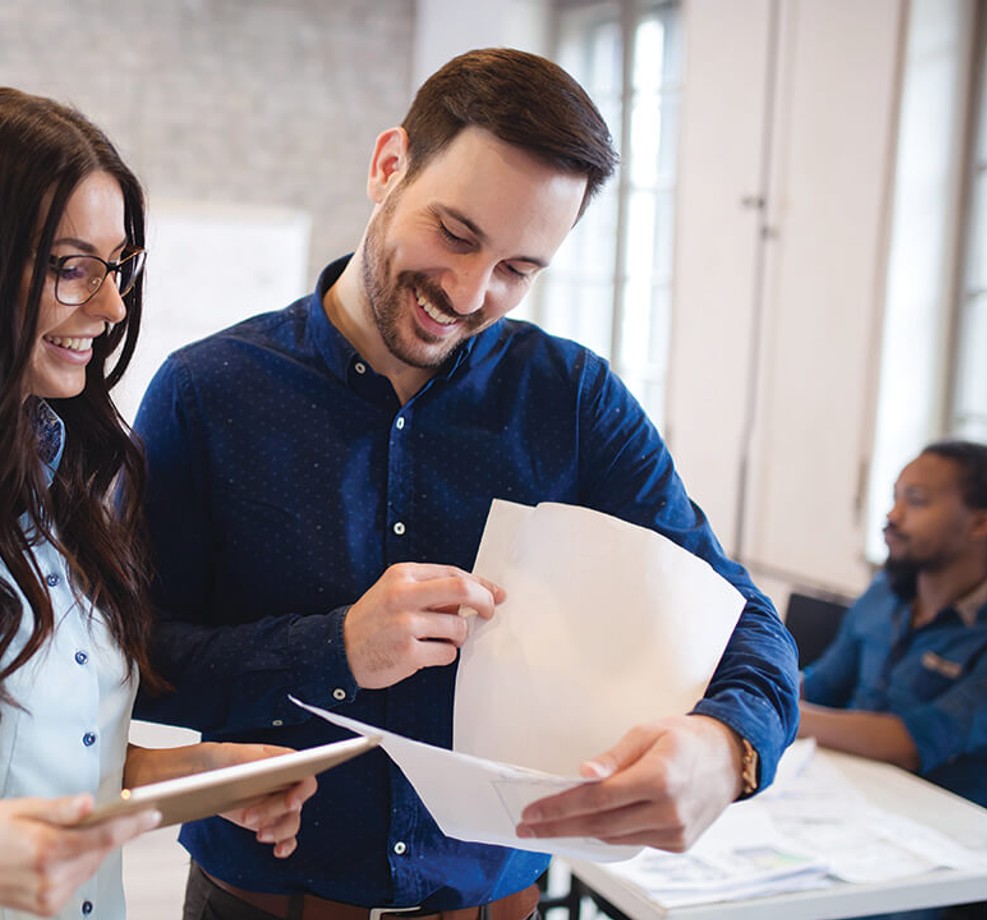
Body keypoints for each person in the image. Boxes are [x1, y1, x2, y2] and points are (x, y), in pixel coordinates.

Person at [133, 48, 800, 920]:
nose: (467, 291)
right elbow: (137, 660)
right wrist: (335, 648)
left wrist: (729, 745)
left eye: (519, 270)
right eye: (455, 233)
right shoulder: (207, 391)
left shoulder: (574, 401)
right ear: (387, 168)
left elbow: (740, 613)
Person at [0, 87, 319, 920]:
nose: (109, 309)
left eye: (118, 268)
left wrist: (186, 775)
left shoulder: (65, 480)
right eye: (72, 267)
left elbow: (47, 754)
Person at [799, 440, 987, 811]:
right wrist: (748, 689)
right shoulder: (884, 594)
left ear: (981, 523)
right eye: (895, 498)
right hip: (841, 796)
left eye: (916, 501)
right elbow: (821, 687)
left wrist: (777, 713)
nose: (893, 515)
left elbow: (913, 744)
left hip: (939, 831)